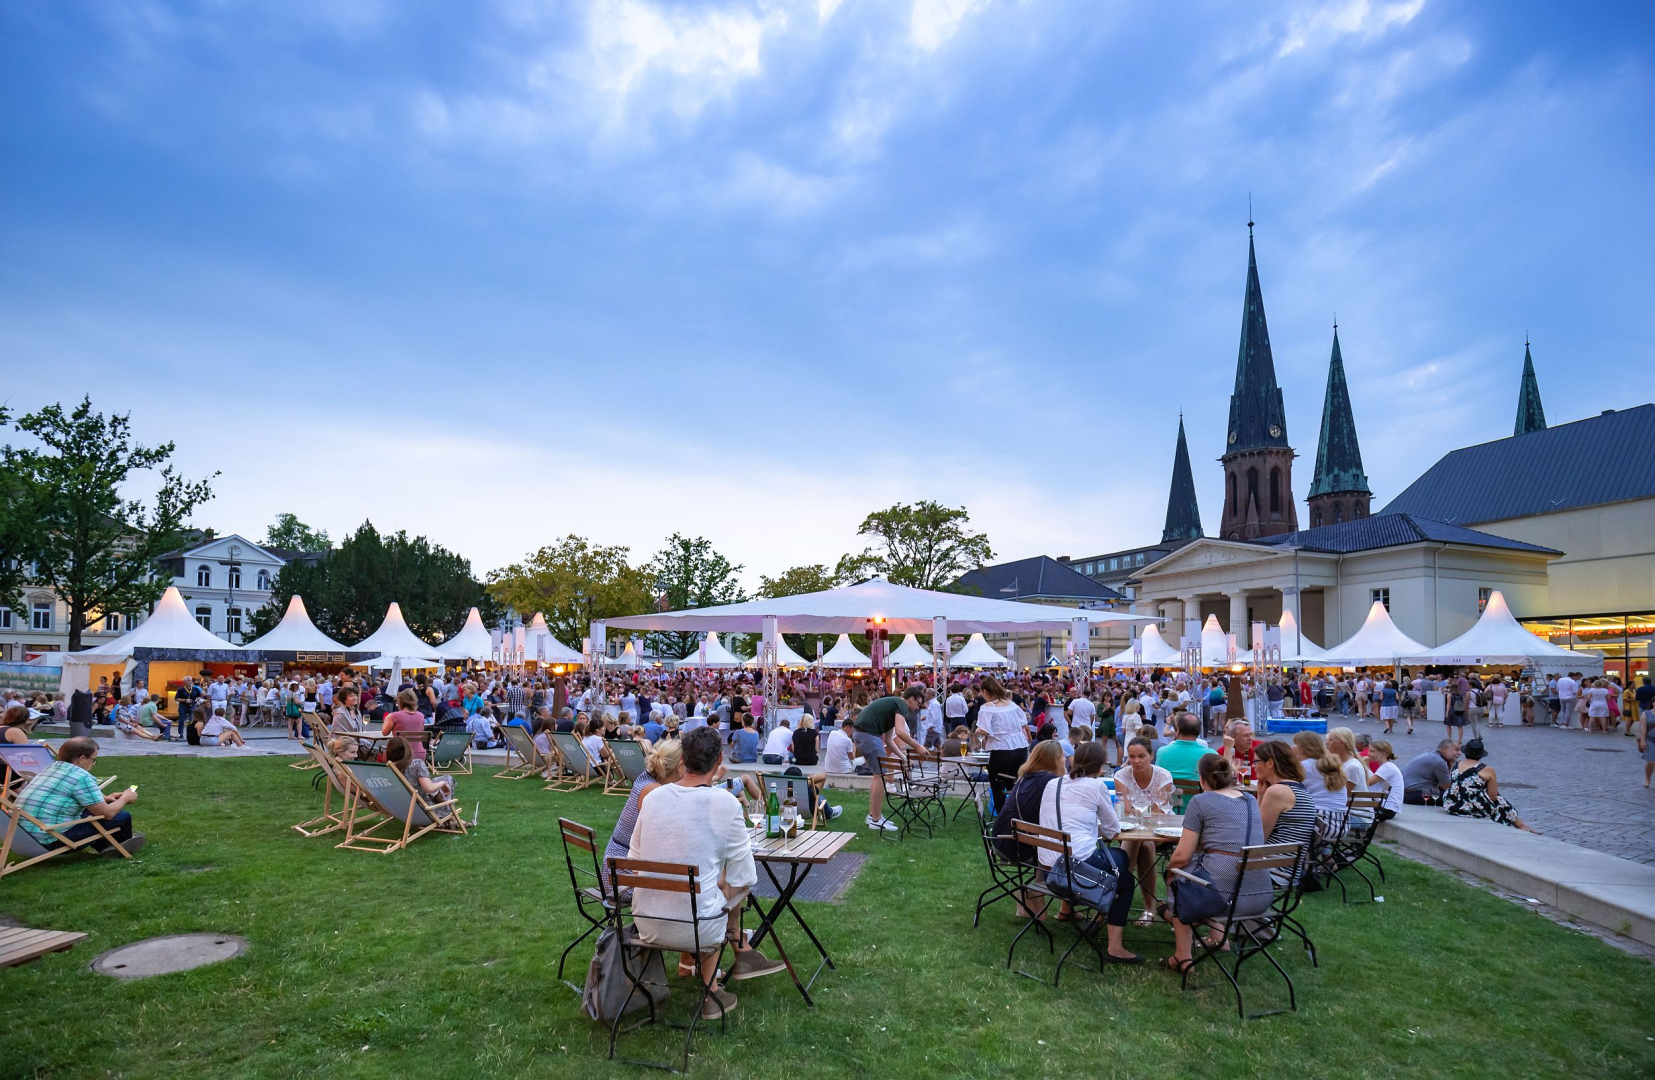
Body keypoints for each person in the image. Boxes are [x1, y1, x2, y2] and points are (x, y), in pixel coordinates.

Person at [626, 727, 786, 1020]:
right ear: (719, 760)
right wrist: (722, 882)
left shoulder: (653, 798)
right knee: (728, 889)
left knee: (711, 888)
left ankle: (723, 973)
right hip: (697, 929)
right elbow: (745, 877)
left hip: (646, 923)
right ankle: (725, 971)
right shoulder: (724, 803)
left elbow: (633, 861)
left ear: (683, 760)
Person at [1031, 742, 1143, 962]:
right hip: (1074, 872)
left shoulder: (1053, 784)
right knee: (1124, 875)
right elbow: (1112, 830)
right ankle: (1115, 947)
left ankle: (1101, 912)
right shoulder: (1096, 786)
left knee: (1118, 862)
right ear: (1101, 766)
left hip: (1048, 870)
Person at [1162, 754, 1269, 973]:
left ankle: (1183, 957)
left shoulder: (1201, 801)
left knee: (1179, 878)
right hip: (1259, 895)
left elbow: (1182, 855)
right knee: (1213, 871)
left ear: (1201, 779)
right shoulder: (1249, 799)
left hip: (1225, 899)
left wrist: (1168, 870)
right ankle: (1219, 938)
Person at [15, 737, 145, 854]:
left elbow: (60, 795)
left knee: (90, 812)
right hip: (51, 839)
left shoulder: (50, 769)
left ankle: (107, 845)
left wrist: (104, 798)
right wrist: (125, 798)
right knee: (122, 816)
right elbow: (107, 814)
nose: (93, 764)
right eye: (93, 760)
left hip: (23, 835)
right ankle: (118, 847)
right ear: (82, 759)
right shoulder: (81, 776)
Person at [853, 685, 931, 833]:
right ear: (911, 699)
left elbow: (889, 740)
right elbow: (901, 732)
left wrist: (903, 758)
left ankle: (873, 816)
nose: (917, 708)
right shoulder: (901, 704)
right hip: (868, 735)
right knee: (881, 776)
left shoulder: (893, 706)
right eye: (918, 704)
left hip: (864, 734)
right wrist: (917, 746)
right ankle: (876, 820)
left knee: (878, 776)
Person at [1114, 736, 1174, 926]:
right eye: (1132, 756)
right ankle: (1148, 908)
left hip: (1160, 831)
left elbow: (1158, 813)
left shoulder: (1163, 776)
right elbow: (1123, 809)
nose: (1136, 761)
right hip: (1132, 831)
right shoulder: (1121, 776)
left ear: (1151, 755)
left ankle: (1117, 897)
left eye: (1141, 756)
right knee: (1142, 842)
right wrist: (1138, 811)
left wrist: (1134, 810)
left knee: (1143, 841)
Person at [1253, 740, 1316, 883]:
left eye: (1256, 761)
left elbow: (1257, 838)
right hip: (1288, 867)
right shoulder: (1296, 787)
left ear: (1270, 763)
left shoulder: (1278, 791)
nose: (1253, 766)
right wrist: (1261, 794)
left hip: (1276, 870)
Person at [1444, 738, 1533, 830]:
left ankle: (1520, 825)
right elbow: (1493, 795)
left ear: (1466, 752)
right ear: (1481, 755)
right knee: (1499, 799)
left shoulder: (1456, 764)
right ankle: (1521, 825)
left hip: (1453, 803)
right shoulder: (1486, 769)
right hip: (1471, 807)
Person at [385, 735, 456, 807]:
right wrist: (443, 783)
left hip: (402, 807)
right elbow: (429, 789)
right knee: (447, 779)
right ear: (407, 749)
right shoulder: (416, 764)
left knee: (437, 781)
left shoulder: (387, 768)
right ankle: (448, 812)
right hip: (423, 809)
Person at [1154, 711, 1215, 782]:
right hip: (1199, 792)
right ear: (1198, 731)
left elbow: (1157, 779)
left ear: (1177, 730)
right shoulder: (1210, 754)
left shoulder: (1162, 752)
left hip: (1170, 792)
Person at [1401, 740, 1460, 804]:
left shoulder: (1433, 756)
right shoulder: (1439, 762)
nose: (1460, 753)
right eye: (1456, 750)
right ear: (1445, 749)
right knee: (1453, 797)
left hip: (1406, 792)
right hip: (1411, 794)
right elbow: (1447, 787)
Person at [381, 689, 428, 760]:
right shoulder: (421, 715)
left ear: (400, 702)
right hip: (419, 753)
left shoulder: (394, 716)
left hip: (400, 754)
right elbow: (420, 732)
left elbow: (384, 733)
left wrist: (387, 718)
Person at [1365, 740, 1405, 820]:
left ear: (1383, 753)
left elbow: (1366, 783)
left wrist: (1364, 765)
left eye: (1372, 751)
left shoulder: (1387, 768)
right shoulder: (1386, 766)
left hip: (1386, 809)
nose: (1368, 754)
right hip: (1386, 808)